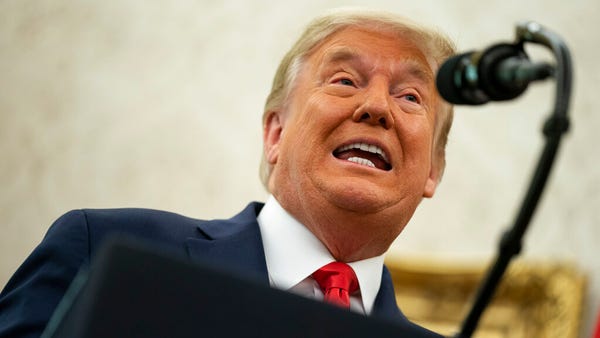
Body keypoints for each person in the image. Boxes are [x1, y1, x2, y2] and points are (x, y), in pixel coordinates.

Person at [0, 8, 455, 338]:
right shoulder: (98, 247)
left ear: (432, 170)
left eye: (411, 96)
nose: (376, 107)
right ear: (275, 133)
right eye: (344, 81)